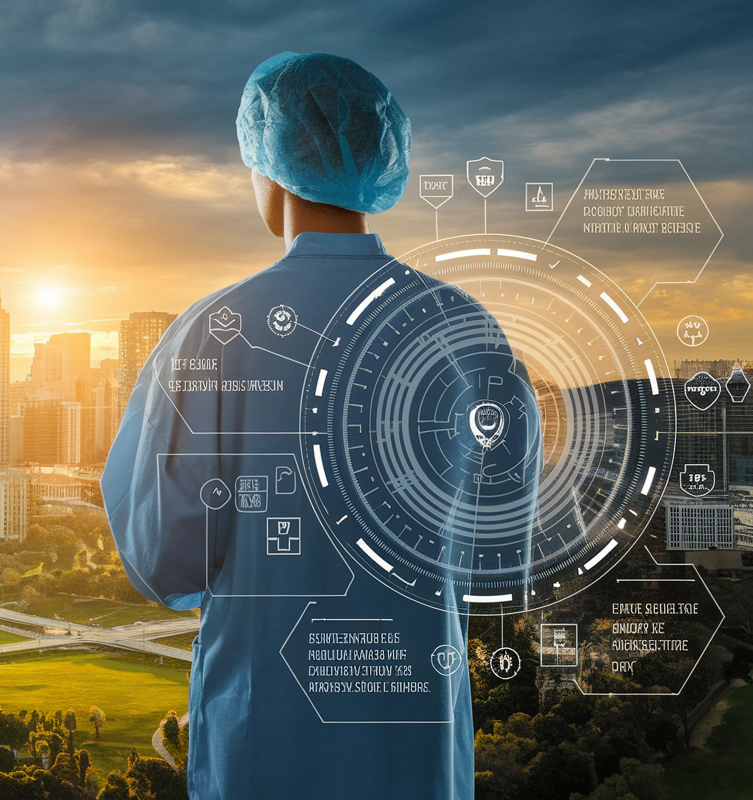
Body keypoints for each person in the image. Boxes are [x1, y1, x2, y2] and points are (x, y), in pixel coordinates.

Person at [103, 52, 537, 798]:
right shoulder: (469, 334)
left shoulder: (214, 333)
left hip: (262, 744)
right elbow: (497, 568)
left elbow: (161, 560)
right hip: (416, 755)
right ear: (377, 160)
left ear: (270, 169)